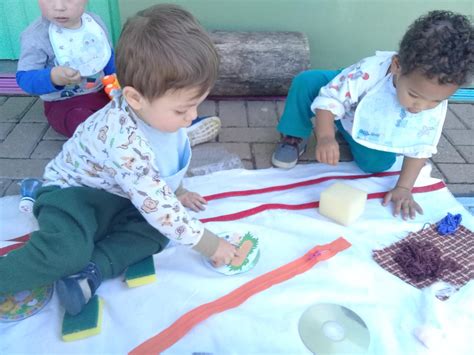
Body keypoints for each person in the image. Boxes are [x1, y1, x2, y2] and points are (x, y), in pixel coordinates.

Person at [0, 4, 237, 316]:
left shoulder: (157, 115)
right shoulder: (125, 142)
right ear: (135, 97)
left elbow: (162, 165)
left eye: (195, 106)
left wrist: (176, 192)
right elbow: (155, 196)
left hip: (118, 194)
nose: (191, 118)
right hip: (71, 197)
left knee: (159, 231)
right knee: (66, 253)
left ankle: (91, 273)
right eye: (182, 110)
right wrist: (210, 244)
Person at [271, 10, 473, 220]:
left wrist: (404, 188)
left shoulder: (430, 98)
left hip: (359, 120)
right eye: (413, 95)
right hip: (347, 91)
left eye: (436, 101)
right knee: (307, 82)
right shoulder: (369, 72)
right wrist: (325, 137)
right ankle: (293, 135)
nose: (420, 107)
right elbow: (330, 99)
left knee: (376, 165)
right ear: (397, 66)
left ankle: (345, 128)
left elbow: (420, 146)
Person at [16, 0, 221, 144]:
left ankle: (178, 129)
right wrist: (52, 77)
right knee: (86, 124)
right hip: (65, 104)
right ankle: (130, 146)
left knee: (141, 104)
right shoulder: (35, 37)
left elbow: (106, 57)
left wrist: (122, 81)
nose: (58, 6)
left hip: (103, 93)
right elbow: (24, 79)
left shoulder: (93, 24)